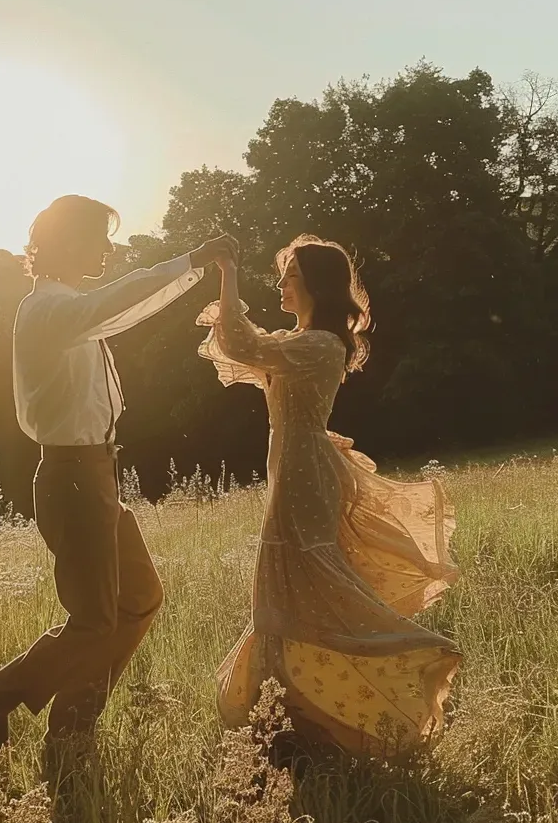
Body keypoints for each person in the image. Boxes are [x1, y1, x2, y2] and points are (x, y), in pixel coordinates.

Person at [0, 194, 237, 761]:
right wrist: (190, 262)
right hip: (73, 478)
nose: (109, 250)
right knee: (93, 621)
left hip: (95, 475)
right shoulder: (49, 311)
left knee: (140, 598)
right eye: (99, 238)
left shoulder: (68, 307)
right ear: (65, 242)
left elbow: (112, 310)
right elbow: (123, 302)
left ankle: (70, 724)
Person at [197, 234, 461, 762]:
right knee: (285, 593)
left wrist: (227, 276)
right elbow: (243, 349)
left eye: (290, 275)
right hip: (295, 470)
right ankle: (292, 721)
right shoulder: (300, 342)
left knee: (298, 591)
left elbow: (241, 345)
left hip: (303, 475)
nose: (282, 285)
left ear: (315, 284)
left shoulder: (317, 346)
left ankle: (326, 702)